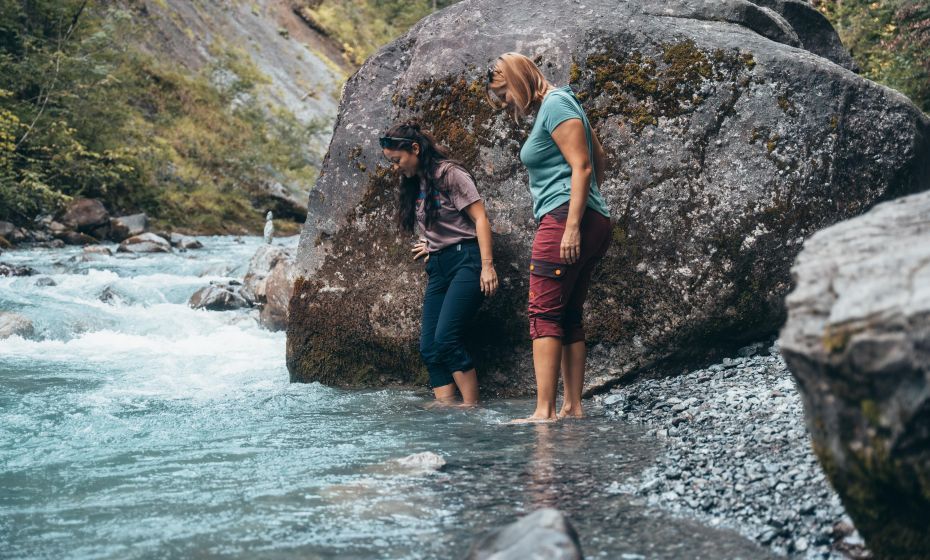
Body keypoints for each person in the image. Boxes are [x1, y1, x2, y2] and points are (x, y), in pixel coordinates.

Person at [487, 52, 612, 422]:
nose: (505, 102)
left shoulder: (556, 104)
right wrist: (586, 208)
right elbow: (599, 156)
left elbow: (585, 165)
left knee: (542, 314)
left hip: (563, 220)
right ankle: (573, 407)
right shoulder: (561, 104)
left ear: (517, 79)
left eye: (504, 92)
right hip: (586, 218)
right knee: (568, 315)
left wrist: (572, 223)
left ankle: (544, 411)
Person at [380, 121, 498, 406]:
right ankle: (446, 409)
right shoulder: (417, 181)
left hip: (466, 262)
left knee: (446, 339)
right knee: (429, 346)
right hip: (440, 265)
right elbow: (440, 221)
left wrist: (487, 265)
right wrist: (432, 242)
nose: (395, 168)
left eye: (397, 161)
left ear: (415, 149)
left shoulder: (450, 174)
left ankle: (471, 409)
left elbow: (480, 218)